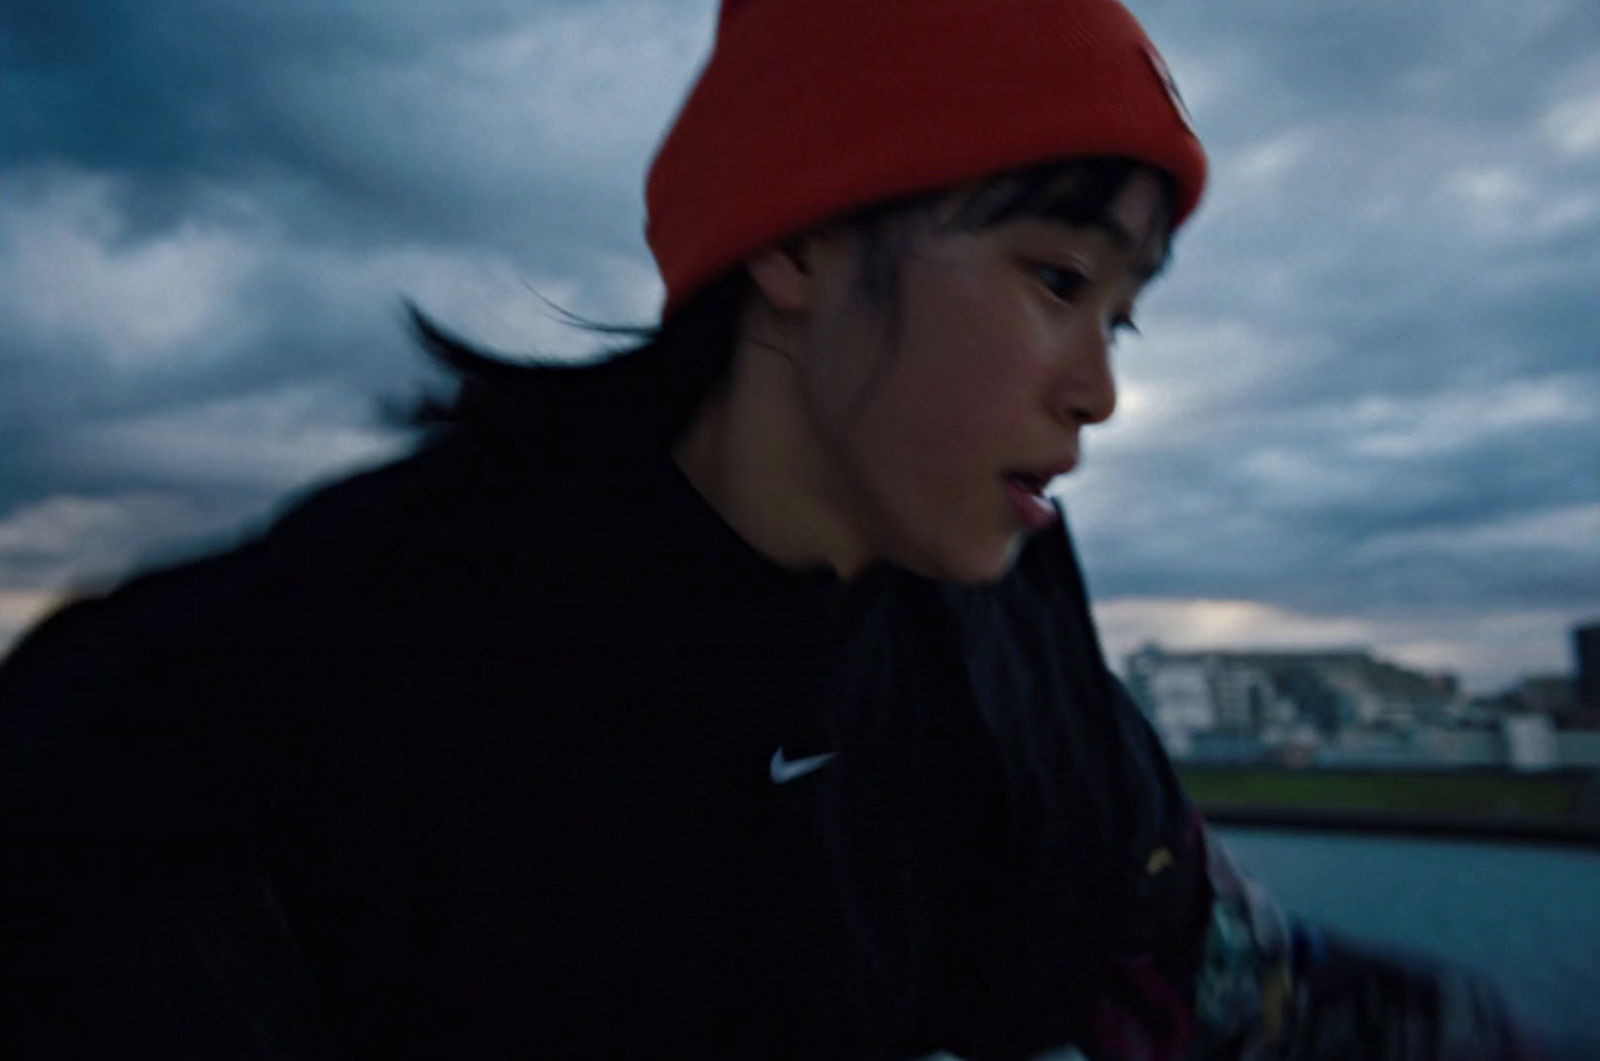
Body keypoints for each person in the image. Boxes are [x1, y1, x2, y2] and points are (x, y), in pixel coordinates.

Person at [1, 1, 1550, 1058]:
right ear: (799, 240)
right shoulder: (312, 678)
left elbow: (1208, 973)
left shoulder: (1012, 611)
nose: (1098, 394)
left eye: (1126, 321)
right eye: (1057, 280)